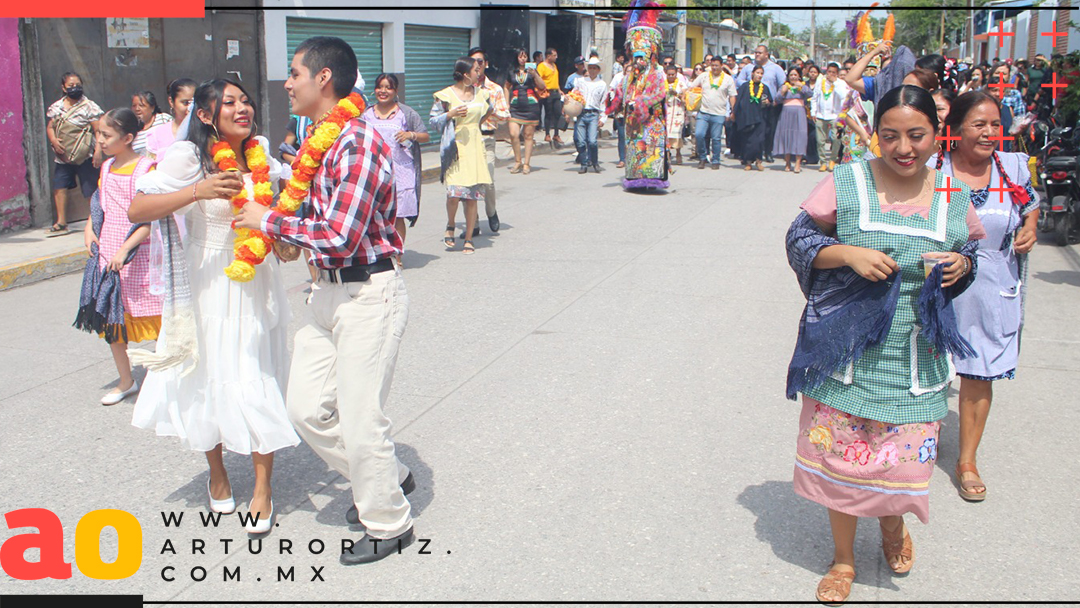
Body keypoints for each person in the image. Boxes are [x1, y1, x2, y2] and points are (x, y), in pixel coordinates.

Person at [786, 85, 985, 605]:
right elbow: (800, 240)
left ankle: (893, 527)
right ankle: (845, 560)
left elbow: (968, 255)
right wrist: (847, 253)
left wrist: (962, 265)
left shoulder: (948, 191)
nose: (903, 148)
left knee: (901, 463)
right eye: (890, 135)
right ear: (874, 135)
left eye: (916, 136)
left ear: (935, 136)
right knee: (841, 462)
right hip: (846, 355)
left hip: (916, 357)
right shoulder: (847, 180)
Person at [233, 36, 415, 561]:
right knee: (307, 409)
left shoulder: (357, 144)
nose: (286, 84)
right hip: (326, 291)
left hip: (368, 293)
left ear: (324, 79)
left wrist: (267, 221)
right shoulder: (321, 140)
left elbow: (340, 235)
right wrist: (285, 235)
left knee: (361, 418)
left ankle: (388, 523)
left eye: (294, 73)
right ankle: (389, 475)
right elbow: (314, 225)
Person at [128, 78, 298, 536]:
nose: (242, 108)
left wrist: (283, 234)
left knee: (257, 372)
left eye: (245, 100)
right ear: (204, 115)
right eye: (229, 103)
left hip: (257, 279)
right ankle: (218, 472)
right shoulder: (190, 157)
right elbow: (138, 210)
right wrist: (196, 192)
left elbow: (280, 205)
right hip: (208, 282)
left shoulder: (262, 152)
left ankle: (263, 487)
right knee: (208, 377)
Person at [930, 91, 1039, 503]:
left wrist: (1028, 227)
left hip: (993, 285)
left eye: (995, 123)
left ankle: (967, 461)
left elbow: (1030, 205)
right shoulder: (932, 167)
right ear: (956, 130)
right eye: (979, 124)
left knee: (979, 374)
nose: (990, 132)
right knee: (930, 370)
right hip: (938, 283)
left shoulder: (1011, 167)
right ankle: (920, 445)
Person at [74, 107, 161, 405]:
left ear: (127, 138)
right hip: (108, 255)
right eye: (99, 134)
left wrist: (127, 248)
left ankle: (165, 381)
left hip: (140, 256)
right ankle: (126, 381)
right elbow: (100, 206)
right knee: (113, 324)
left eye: (106, 135)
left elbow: (152, 219)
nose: (100, 140)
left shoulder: (147, 169)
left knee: (157, 321)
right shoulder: (106, 167)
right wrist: (89, 230)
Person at [361, 74, 428, 265]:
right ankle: (376, 252)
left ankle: (397, 254)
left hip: (401, 171)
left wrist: (411, 134)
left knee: (397, 216)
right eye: (380, 87)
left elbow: (425, 135)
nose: (383, 91)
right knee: (375, 214)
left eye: (388, 88)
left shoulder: (406, 113)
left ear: (396, 91)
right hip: (374, 172)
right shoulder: (365, 114)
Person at [431, 57, 493, 254]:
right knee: (454, 194)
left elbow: (489, 111)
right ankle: (450, 224)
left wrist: (475, 125)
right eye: (476, 70)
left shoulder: (482, 94)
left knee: (473, 196)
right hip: (455, 148)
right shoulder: (445, 96)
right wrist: (450, 115)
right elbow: (433, 122)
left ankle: (468, 238)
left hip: (474, 146)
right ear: (466, 74)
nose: (479, 72)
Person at [607, 1, 669, 190]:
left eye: (643, 57)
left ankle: (653, 181)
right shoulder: (628, 76)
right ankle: (634, 180)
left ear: (651, 55)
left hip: (652, 120)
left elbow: (660, 94)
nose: (639, 61)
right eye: (636, 57)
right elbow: (622, 93)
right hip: (633, 122)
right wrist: (614, 97)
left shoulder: (657, 73)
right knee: (634, 150)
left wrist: (642, 102)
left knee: (650, 150)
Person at [46, 71, 104, 236]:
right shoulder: (56, 107)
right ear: (63, 88)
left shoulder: (90, 106)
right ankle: (61, 222)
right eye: (71, 86)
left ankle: (95, 220)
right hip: (63, 155)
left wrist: (98, 150)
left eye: (78, 85)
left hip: (85, 155)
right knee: (60, 186)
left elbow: (97, 129)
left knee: (90, 188)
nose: (74, 88)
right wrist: (54, 141)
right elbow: (50, 126)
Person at [470, 46, 509, 235]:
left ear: (485, 64)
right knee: (469, 183)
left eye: (480, 61)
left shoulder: (495, 89)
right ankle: (473, 223)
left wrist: (489, 112)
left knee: (488, 180)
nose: (476, 65)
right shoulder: (464, 88)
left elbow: (504, 114)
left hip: (486, 139)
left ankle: (491, 212)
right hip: (467, 141)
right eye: (473, 61)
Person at [737, 45, 786, 162]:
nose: (757, 55)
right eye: (756, 52)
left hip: (768, 104)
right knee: (749, 130)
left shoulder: (775, 68)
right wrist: (751, 85)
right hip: (751, 105)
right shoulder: (749, 67)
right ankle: (748, 155)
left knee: (768, 130)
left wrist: (776, 100)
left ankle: (768, 152)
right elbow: (739, 81)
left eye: (760, 53)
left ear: (766, 54)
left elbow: (783, 84)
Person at [690, 55, 737, 170]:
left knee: (716, 138)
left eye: (717, 65)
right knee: (699, 134)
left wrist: (733, 111)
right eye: (712, 65)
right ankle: (702, 157)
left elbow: (732, 96)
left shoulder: (727, 79)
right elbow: (692, 87)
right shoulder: (704, 76)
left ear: (722, 65)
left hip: (719, 113)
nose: (714, 68)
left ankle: (716, 160)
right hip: (704, 112)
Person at [506, 48, 545, 175]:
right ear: (516, 58)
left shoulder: (532, 71)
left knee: (528, 136)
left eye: (525, 56)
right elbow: (506, 87)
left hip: (531, 106)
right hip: (515, 106)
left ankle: (526, 163)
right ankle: (518, 161)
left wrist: (535, 75)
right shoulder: (512, 72)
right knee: (513, 134)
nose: (523, 59)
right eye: (520, 56)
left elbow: (542, 86)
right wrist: (506, 102)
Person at [571, 57, 608, 173]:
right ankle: (583, 163)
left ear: (598, 70)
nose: (592, 70)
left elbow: (604, 102)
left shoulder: (602, 84)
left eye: (594, 68)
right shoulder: (580, 81)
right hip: (582, 113)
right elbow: (573, 95)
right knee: (581, 141)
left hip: (593, 114)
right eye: (590, 68)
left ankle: (595, 162)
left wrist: (603, 118)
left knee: (592, 141)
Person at [733, 65, 774, 171]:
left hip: (760, 118)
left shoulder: (764, 88)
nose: (759, 75)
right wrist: (734, 114)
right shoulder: (745, 86)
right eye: (757, 73)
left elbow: (770, 101)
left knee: (759, 140)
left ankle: (759, 160)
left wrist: (768, 103)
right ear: (752, 73)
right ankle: (748, 162)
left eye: (761, 73)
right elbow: (738, 102)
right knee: (748, 141)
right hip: (747, 118)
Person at [144, 78, 197, 160]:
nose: (190, 108)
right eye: (185, 103)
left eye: (194, 103)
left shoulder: (206, 132)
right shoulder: (156, 135)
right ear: (171, 102)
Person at [773, 67, 813, 173]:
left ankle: (798, 163)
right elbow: (777, 99)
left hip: (799, 112)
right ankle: (787, 162)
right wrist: (782, 92)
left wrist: (802, 86)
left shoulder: (803, 86)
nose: (793, 77)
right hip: (786, 112)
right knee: (787, 136)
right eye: (791, 75)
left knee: (800, 136)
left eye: (795, 75)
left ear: (799, 76)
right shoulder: (785, 86)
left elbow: (810, 94)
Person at [813, 63, 848, 172]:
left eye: (833, 72)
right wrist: (813, 111)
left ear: (837, 74)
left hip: (835, 115)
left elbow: (843, 96)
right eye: (829, 72)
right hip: (820, 114)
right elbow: (815, 97)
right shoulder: (820, 82)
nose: (831, 74)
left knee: (835, 139)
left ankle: (832, 160)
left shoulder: (841, 83)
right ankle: (823, 162)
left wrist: (835, 83)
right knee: (820, 140)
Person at [131, 90, 173, 157]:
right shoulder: (131, 130)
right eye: (134, 106)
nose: (137, 109)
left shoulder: (164, 119)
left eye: (141, 105)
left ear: (152, 108)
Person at [537, 48, 565, 147]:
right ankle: (547, 133)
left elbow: (555, 79)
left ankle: (556, 134)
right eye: (554, 55)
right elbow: (538, 79)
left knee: (557, 112)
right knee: (548, 113)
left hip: (555, 92)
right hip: (547, 92)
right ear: (548, 56)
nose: (556, 57)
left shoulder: (554, 66)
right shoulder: (542, 66)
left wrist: (559, 89)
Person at [663, 63, 688, 166]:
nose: (671, 76)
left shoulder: (681, 84)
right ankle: (667, 154)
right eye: (669, 74)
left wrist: (677, 94)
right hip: (667, 112)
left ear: (676, 74)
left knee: (677, 133)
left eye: (673, 74)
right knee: (666, 133)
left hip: (678, 112)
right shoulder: (662, 84)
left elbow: (685, 98)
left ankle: (678, 153)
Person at [607, 56, 630, 169]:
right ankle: (622, 159)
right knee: (621, 135)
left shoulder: (638, 83)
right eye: (627, 71)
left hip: (633, 113)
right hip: (620, 111)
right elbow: (611, 90)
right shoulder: (619, 80)